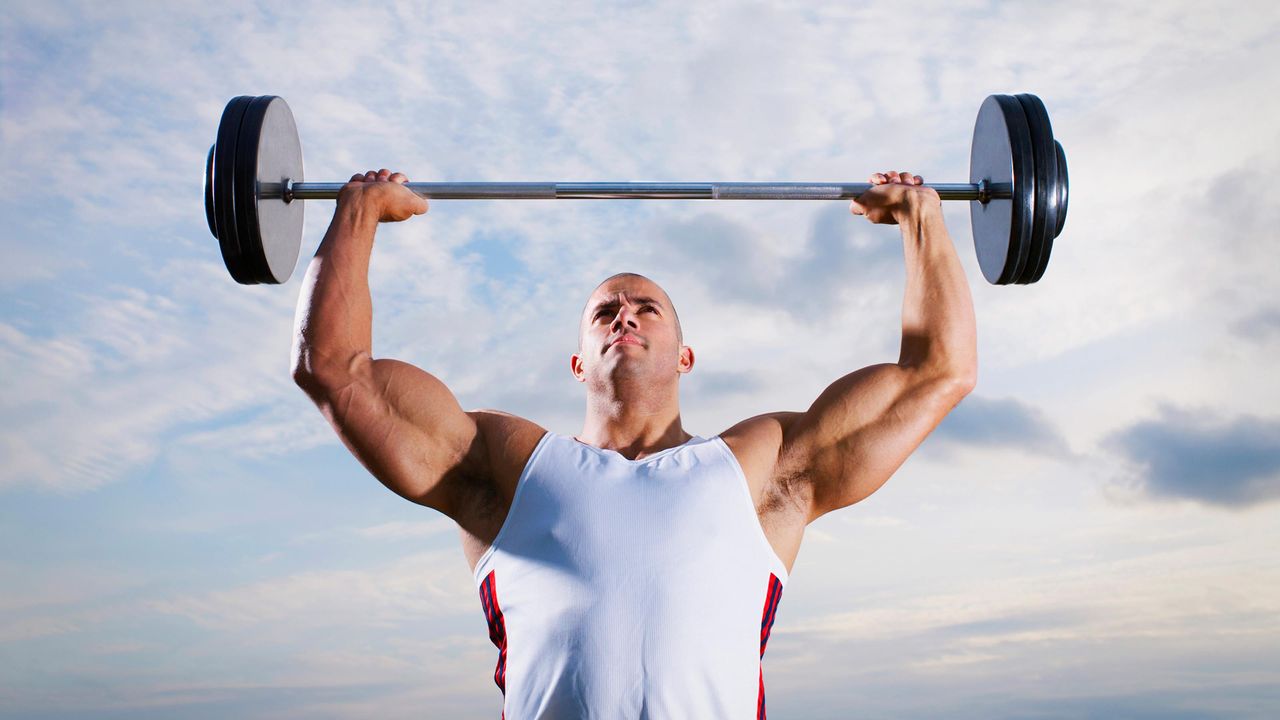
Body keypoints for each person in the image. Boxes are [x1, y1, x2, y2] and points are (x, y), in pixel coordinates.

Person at [291, 168, 976, 719]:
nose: (626, 314)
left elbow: (939, 374)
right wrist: (356, 213)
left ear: (685, 357)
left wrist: (924, 223)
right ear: (578, 362)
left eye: (647, 308)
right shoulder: (506, 467)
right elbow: (332, 370)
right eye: (604, 312)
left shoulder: (760, 469)